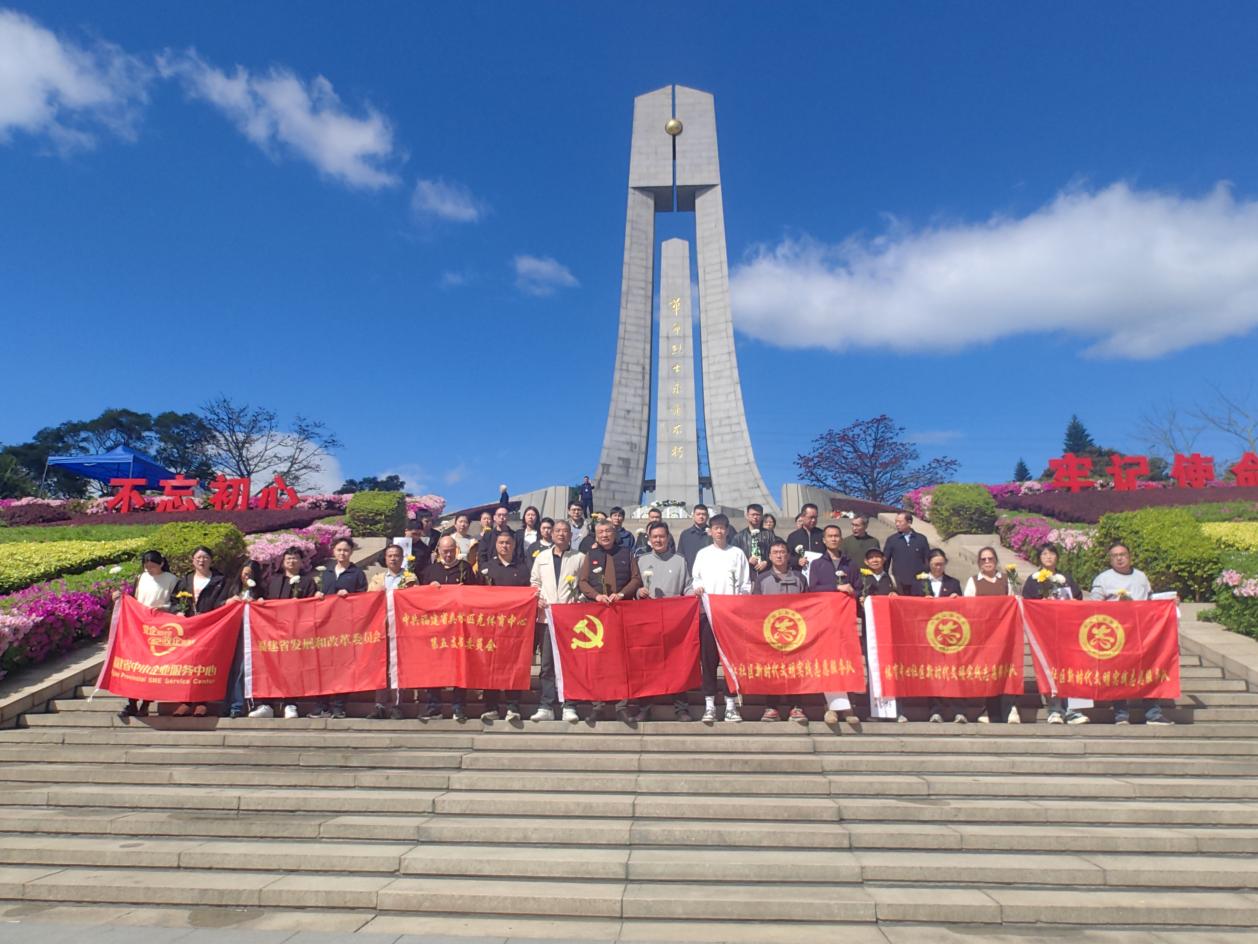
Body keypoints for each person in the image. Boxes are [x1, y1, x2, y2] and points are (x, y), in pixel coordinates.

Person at [1090, 543, 1173, 726]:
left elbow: (1151, 600)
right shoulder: (1103, 579)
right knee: (1118, 673)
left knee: (1148, 671)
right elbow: (1094, 606)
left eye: (1123, 554)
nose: (1119, 558)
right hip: (1116, 635)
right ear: (1110, 559)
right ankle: (1121, 714)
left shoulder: (1141, 577)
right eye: (1115, 556)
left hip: (1142, 633)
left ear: (1130, 556)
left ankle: (1153, 714)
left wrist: (1169, 602)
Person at [577, 520, 645, 721]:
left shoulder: (626, 553)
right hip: (598, 615)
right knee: (598, 661)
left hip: (622, 612)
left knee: (622, 661)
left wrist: (622, 594)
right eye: (600, 532)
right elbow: (582, 582)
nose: (605, 535)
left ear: (614, 534)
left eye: (608, 531)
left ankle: (621, 705)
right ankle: (597, 705)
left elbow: (636, 578)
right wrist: (596, 596)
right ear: (596, 535)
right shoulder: (591, 555)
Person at [690, 514, 752, 724]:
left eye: (722, 527)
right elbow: (696, 578)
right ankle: (709, 705)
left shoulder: (737, 553)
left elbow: (745, 583)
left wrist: (739, 602)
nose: (719, 531)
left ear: (727, 529)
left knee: (731, 661)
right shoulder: (703, 554)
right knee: (708, 661)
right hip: (709, 614)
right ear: (710, 530)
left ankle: (731, 706)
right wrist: (698, 588)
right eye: (715, 528)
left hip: (731, 616)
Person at [631, 521, 695, 723]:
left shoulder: (679, 561)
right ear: (649, 540)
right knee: (647, 665)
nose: (658, 540)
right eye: (654, 537)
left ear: (668, 538)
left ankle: (681, 708)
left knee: (677, 664)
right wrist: (638, 592)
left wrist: (692, 595)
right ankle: (644, 708)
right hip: (647, 620)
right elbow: (633, 586)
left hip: (673, 620)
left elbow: (688, 586)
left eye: (661, 536)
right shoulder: (641, 561)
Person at [1022, 544, 1087, 725]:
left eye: (1051, 553)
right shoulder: (1033, 580)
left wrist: (1072, 602)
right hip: (1044, 633)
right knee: (1049, 670)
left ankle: (1075, 711)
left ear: (1057, 557)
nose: (1048, 556)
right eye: (1044, 554)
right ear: (1039, 558)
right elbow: (1027, 604)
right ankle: (1054, 710)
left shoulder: (1066, 579)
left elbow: (1078, 599)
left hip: (1068, 631)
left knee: (1075, 669)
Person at [251, 547, 318, 720]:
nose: (292, 561)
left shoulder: (308, 582)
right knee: (268, 667)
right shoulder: (272, 580)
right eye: (288, 558)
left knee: (292, 669)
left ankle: (290, 704)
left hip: (295, 634)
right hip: (271, 633)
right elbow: (262, 598)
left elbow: (312, 607)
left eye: (295, 558)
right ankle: (266, 704)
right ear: (283, 561)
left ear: (301, 562)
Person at [420, 536, 481, 721]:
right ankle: (434, 707)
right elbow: (420, 599)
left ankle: (458, 707)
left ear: (456, 550)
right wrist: (429, 589)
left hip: (459, 628)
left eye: (451, 551)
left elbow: (476, 595)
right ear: (438, 551)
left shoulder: (465, 568)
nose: (448, 555)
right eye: (444, 551)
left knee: (460, 666)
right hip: (436, 628)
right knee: (434, 667)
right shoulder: (430, 571)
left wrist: (464, 591)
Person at [529, 519, 584, 722]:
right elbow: (534, 582)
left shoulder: (580, 557)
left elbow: (584, 585)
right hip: (547, 618)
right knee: (547, 665)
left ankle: (569, 704)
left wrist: (579, 600)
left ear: (571, 535)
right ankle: (546, 705)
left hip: (570, 620)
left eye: (565, 531)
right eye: (558, 530)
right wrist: (538, 598)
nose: (561, 534)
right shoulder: (542, 557)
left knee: (570, 663)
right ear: (551, 534)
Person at [114, 550, 178, 721]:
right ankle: (132, 702)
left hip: (159, 627)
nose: (149, 569)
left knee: (152, 667)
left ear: (161, 564)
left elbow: (177, 603)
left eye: (153, 566)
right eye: (147, 566)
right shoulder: (141, 578)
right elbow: (134, 599)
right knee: (135, 665)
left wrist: (165, 608)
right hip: (139, 625)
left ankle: (146, 703)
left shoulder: (171, 579)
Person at [309, 537, 368, 720]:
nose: (342, 553)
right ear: (333, 551)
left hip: (346, 628)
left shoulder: (357, 574)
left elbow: (364, 599)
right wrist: (317, 595)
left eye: (346, 550)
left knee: (343, 668)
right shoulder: (325, 573)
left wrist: (350, 596)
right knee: (323, 667)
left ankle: (339, 706)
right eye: (339, 550)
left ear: (351, 552)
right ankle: (322, 705)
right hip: (325, 628)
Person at [962, 546, 1020, 724]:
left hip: (1005, 634)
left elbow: (1014, 602)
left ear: (996, 561)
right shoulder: (974, 581)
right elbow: (968, 606)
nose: (987, 562)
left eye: (990, 559)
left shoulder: (1006, 580)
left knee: (1006, 671)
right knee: (989, 672)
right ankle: (991, 711)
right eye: (983, 559)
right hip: (984, 635)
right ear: (979, 562)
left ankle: (1010, 708)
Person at [754, 540, 810, 723]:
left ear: (788, 555)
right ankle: (772, 707)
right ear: (769, 557)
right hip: (770, 633)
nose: (779, 555)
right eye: (775, 552)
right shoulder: (762, 579)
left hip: (795, 633)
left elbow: (809, 605)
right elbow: (755, 607)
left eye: (782, 552)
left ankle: (796, 707)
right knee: (772, 670)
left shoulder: (800, 578)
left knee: (795, 669)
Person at [171, 546, 228, 717]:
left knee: (204, 664)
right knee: (187, 665)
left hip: (210, 627)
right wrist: (178, 612)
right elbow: (174, 600)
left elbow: (223, 602)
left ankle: (202, 702)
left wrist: (211, 615)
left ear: (211, 560)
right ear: (193, 560)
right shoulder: (185, 580)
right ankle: (185, 701)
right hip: (189, 628)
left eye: (205, 557)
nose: (201, 561)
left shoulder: (220, 580)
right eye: (198, 558)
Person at [481, 531, 532, 722]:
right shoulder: (486, 568)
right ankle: (491, 707)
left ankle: (513, 706)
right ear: (495, 545)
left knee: (514, 666)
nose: (504, 546)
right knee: (490, 666)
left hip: (515, 628)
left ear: (514, 545)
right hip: (490, 627)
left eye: (508, 543)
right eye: (501, 543)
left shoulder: (523, 568)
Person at [914, 549, 966, 724]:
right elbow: (911, 607)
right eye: (935, 564)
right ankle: (935, 710)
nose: (938, 567)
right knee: (933, 673)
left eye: (942, 564)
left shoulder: (953, 583)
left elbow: (962, 608)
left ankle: (958, 710)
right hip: (927, 634)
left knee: (953, 672)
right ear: (928, 564)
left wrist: (956, 599)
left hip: (948, 635)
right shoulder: (919, 582)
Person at [367, 544, 419, 719]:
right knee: (380, 666)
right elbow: (368, 601)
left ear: (402, 557)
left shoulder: (410, 578)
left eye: (396, 555)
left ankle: (396, 705)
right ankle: (379, 705)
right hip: (381, 628)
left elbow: (416, 600)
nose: (393, 559)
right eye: (390, 556)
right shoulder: (377, 579)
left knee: (398, 668)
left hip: (401, 628)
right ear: (385, 558)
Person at [224, 559, 266, 719]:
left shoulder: (260, 591)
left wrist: (258, 604)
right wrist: (227, 602)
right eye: (245, 573)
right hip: (230, 632)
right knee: (230, 668)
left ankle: (238, 705)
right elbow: (217, 605)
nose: (247, 577)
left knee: (241, 669)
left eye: (250, 574)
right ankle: (228, 704)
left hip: (249, 635)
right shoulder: (232, 588)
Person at [883, 511, 931, 594]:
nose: (897, 524)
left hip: (918, 582)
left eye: (900, 522)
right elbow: (886, 561)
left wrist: (927, 577)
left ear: (909, 522)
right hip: (899, 583)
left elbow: (927, 560)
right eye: (896, 522)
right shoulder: (892, 540)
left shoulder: (921, 539)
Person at [478, 505, 523, 569]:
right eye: (499, 515)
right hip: (491, 570)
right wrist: (484, 569)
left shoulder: (514, 536)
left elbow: (519, 555)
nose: (502, 517)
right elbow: (482, 555)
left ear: (508, 517)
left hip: (510, 570)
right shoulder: (487, 536)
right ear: (494, 517)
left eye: (504, 515)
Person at [734, 503, 772, 575]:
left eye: (758, 515)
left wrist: (766, 562)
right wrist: (747, 560)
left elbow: (775, 552)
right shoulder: (739, 537)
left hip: (766, 573)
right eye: (753, 514)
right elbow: (734, 556)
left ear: (762, 517)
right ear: (747, 516)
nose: (755, 517)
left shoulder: (769, 535)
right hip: (746, 574)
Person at [786, 503, 826, 571]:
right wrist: (797, 561)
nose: (813, 520)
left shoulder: (822, 534)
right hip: (799, 573)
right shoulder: (793, 537)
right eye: (811, 517)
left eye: (815, 517)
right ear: (802, 517)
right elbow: (787, 557)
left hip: (820, 572)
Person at [678, 504, 712, 572]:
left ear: (707, 516)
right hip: (690, 573)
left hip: (709, 572)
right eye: (698, 514)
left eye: (703, 514)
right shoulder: (685, 534)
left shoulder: (713, 534)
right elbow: (680, 555)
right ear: (693, 516)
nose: (701, 516)